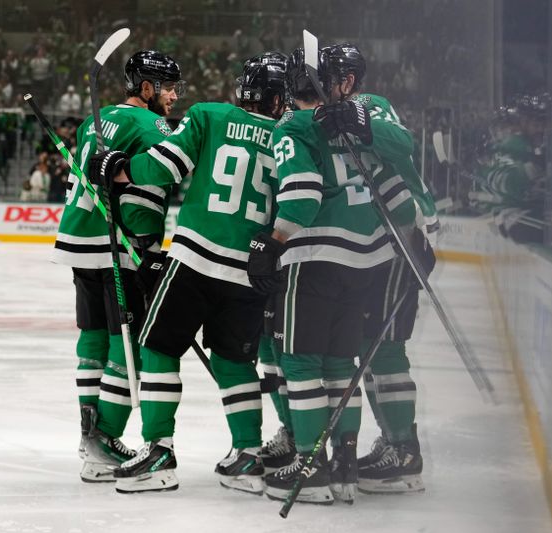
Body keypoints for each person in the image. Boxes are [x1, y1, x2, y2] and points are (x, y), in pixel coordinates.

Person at [94, 53, 288, 495]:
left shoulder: (209, 115)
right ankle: (248, 456)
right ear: (279, 100)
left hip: (195, 259)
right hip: (249, 269)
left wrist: (120, 171)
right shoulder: (287, 136)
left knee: (157, 347)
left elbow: (163, 165)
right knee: (235, 360)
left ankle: (159, 450)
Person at [249, 47, 420, 505]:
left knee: (303, 363)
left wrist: (273, 243)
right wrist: (415, 230)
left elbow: (302, 196)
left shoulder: (296, 125)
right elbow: (396, 178)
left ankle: (310, 464)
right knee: (344, 362)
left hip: (315, 256)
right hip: (370, 259)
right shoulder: (363, 116)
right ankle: (344, 465)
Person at [50, 50, 183, 483]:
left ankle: (91, 440)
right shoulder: (150, 124)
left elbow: (82, 178)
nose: (175, 96)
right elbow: (156, 183)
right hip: (118, 246)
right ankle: (105, 437)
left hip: (78, 236)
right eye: (170, 87)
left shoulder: (96, 120)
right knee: (126, 347)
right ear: (147, 88)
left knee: (93, 338)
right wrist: (146, 246)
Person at [312, 43, 438, 495]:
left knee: (382, 348)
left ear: (346, 80)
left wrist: (356, 121)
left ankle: (403, 449)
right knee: (366, 345)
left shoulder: (371, 105)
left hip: (399, 241)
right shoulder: (319, 114)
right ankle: (396, 445)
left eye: (325, 78)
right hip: (374, 246)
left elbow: (401, 146)